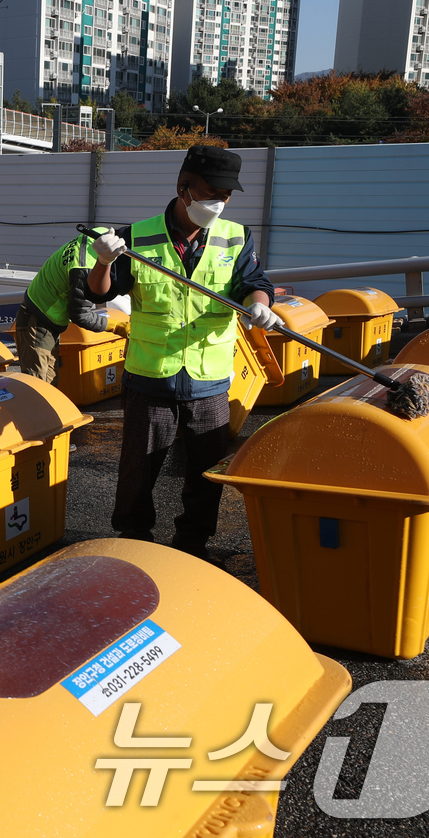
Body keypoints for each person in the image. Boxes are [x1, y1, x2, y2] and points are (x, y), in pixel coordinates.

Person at [86, 146, 281, 560]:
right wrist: (103, 262)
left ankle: (193, 546)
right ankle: (135, 544)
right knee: (137, 473)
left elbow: (255, 281)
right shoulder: (136, 238)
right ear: (183, 188)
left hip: (210, 382)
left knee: (206, 475)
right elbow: (98, 292)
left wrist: (261, 302)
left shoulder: (236, 237)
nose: (218, 203)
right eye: (210, 193)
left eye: (226, 196)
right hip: (150, 379)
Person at [14, 226, 122, 384]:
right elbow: (80, 314)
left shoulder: (95, 237)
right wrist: (116, 326)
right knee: (39, 387)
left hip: (45, 317)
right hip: (37, 320)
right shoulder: (85, 268)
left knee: (49, 382)